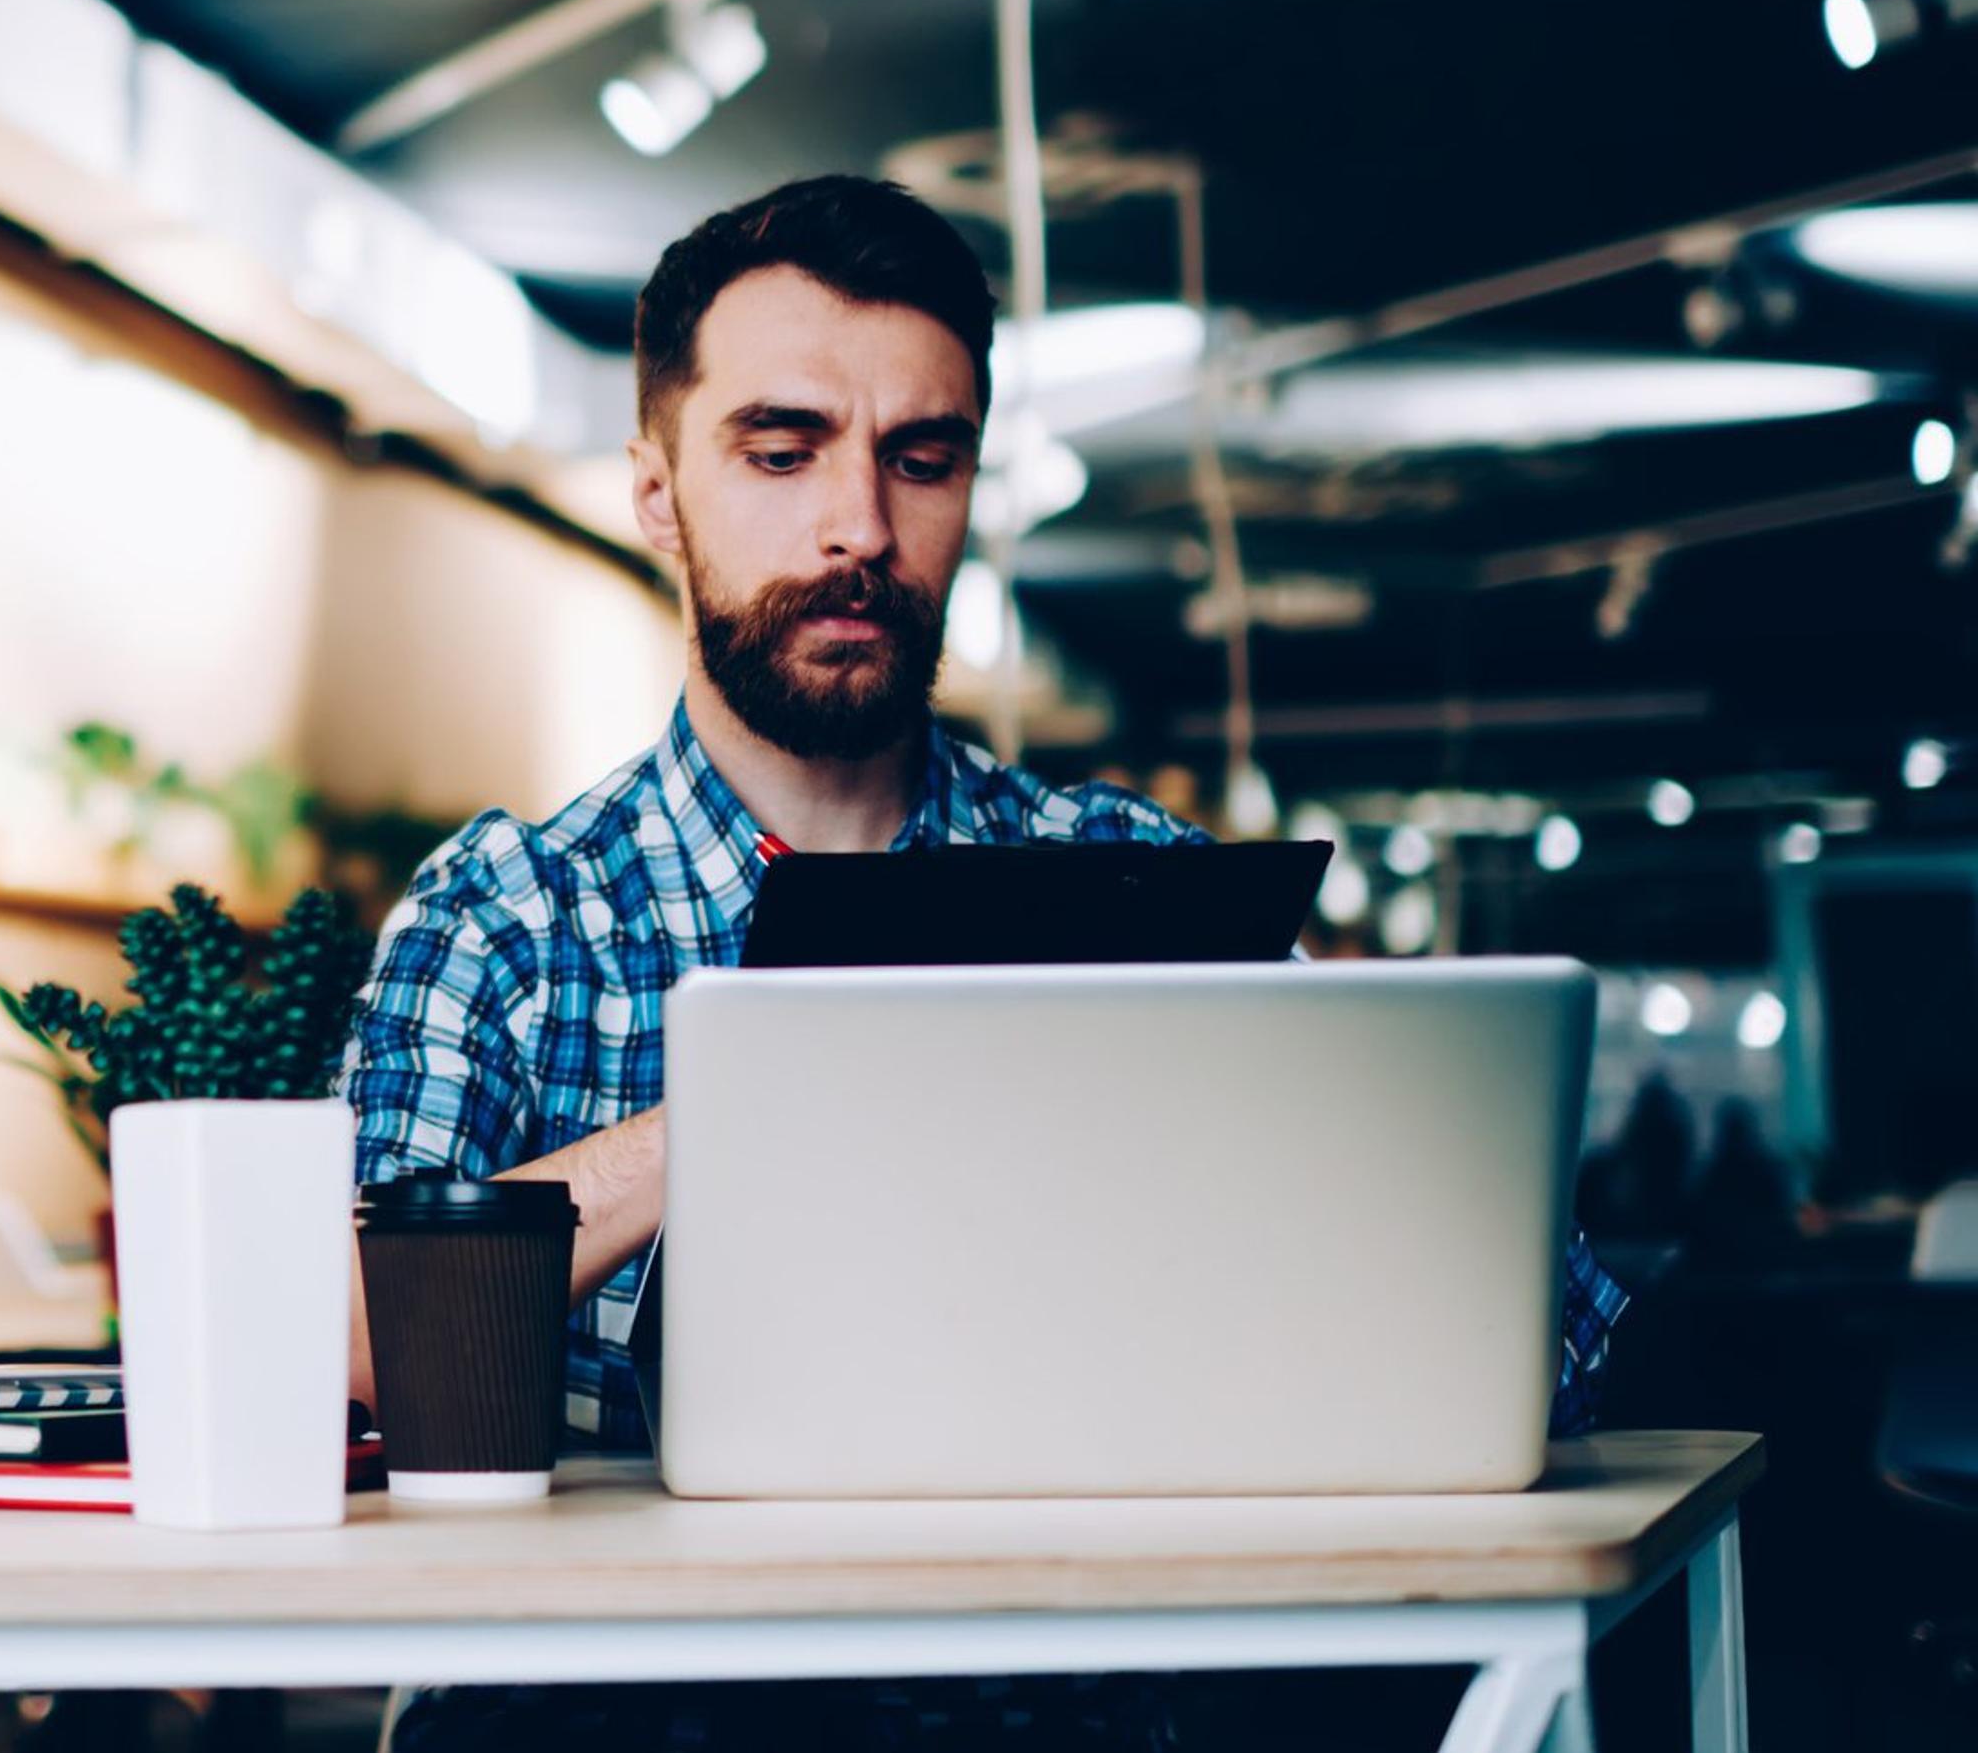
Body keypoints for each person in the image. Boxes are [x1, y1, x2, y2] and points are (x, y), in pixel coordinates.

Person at [346, 175, 1624, 1750]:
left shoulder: (1134, 888)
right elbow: (335, 1349)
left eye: (921, 457)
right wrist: (763, 1101)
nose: (860, 529)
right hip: (620, 1711)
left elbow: (1538, 1346)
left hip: (1069, 1706)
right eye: (780, 449)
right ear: (658, 490)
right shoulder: (510, 914)